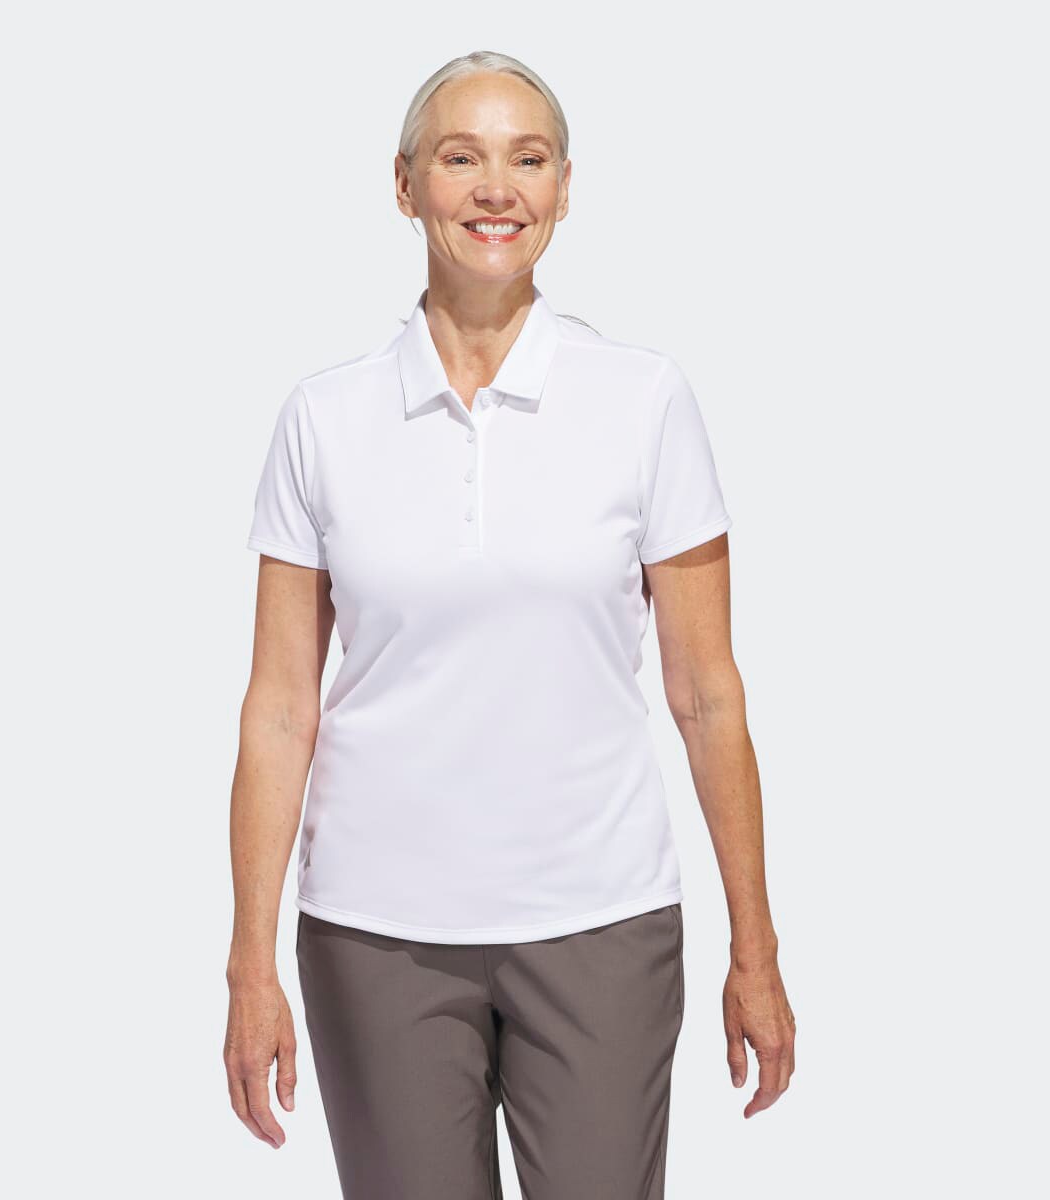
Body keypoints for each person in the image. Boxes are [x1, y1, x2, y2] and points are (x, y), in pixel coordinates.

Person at [224, 49, 795, 1199]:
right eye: (461, 158)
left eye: (527, 159)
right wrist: (249, 963)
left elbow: (706, 694)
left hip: (603, 923)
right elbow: (280, 710)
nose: (496, 189)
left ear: (564, 189)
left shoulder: (644, 401)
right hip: (374, 933)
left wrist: (757, 947)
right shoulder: (324, 419)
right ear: (404, 185)